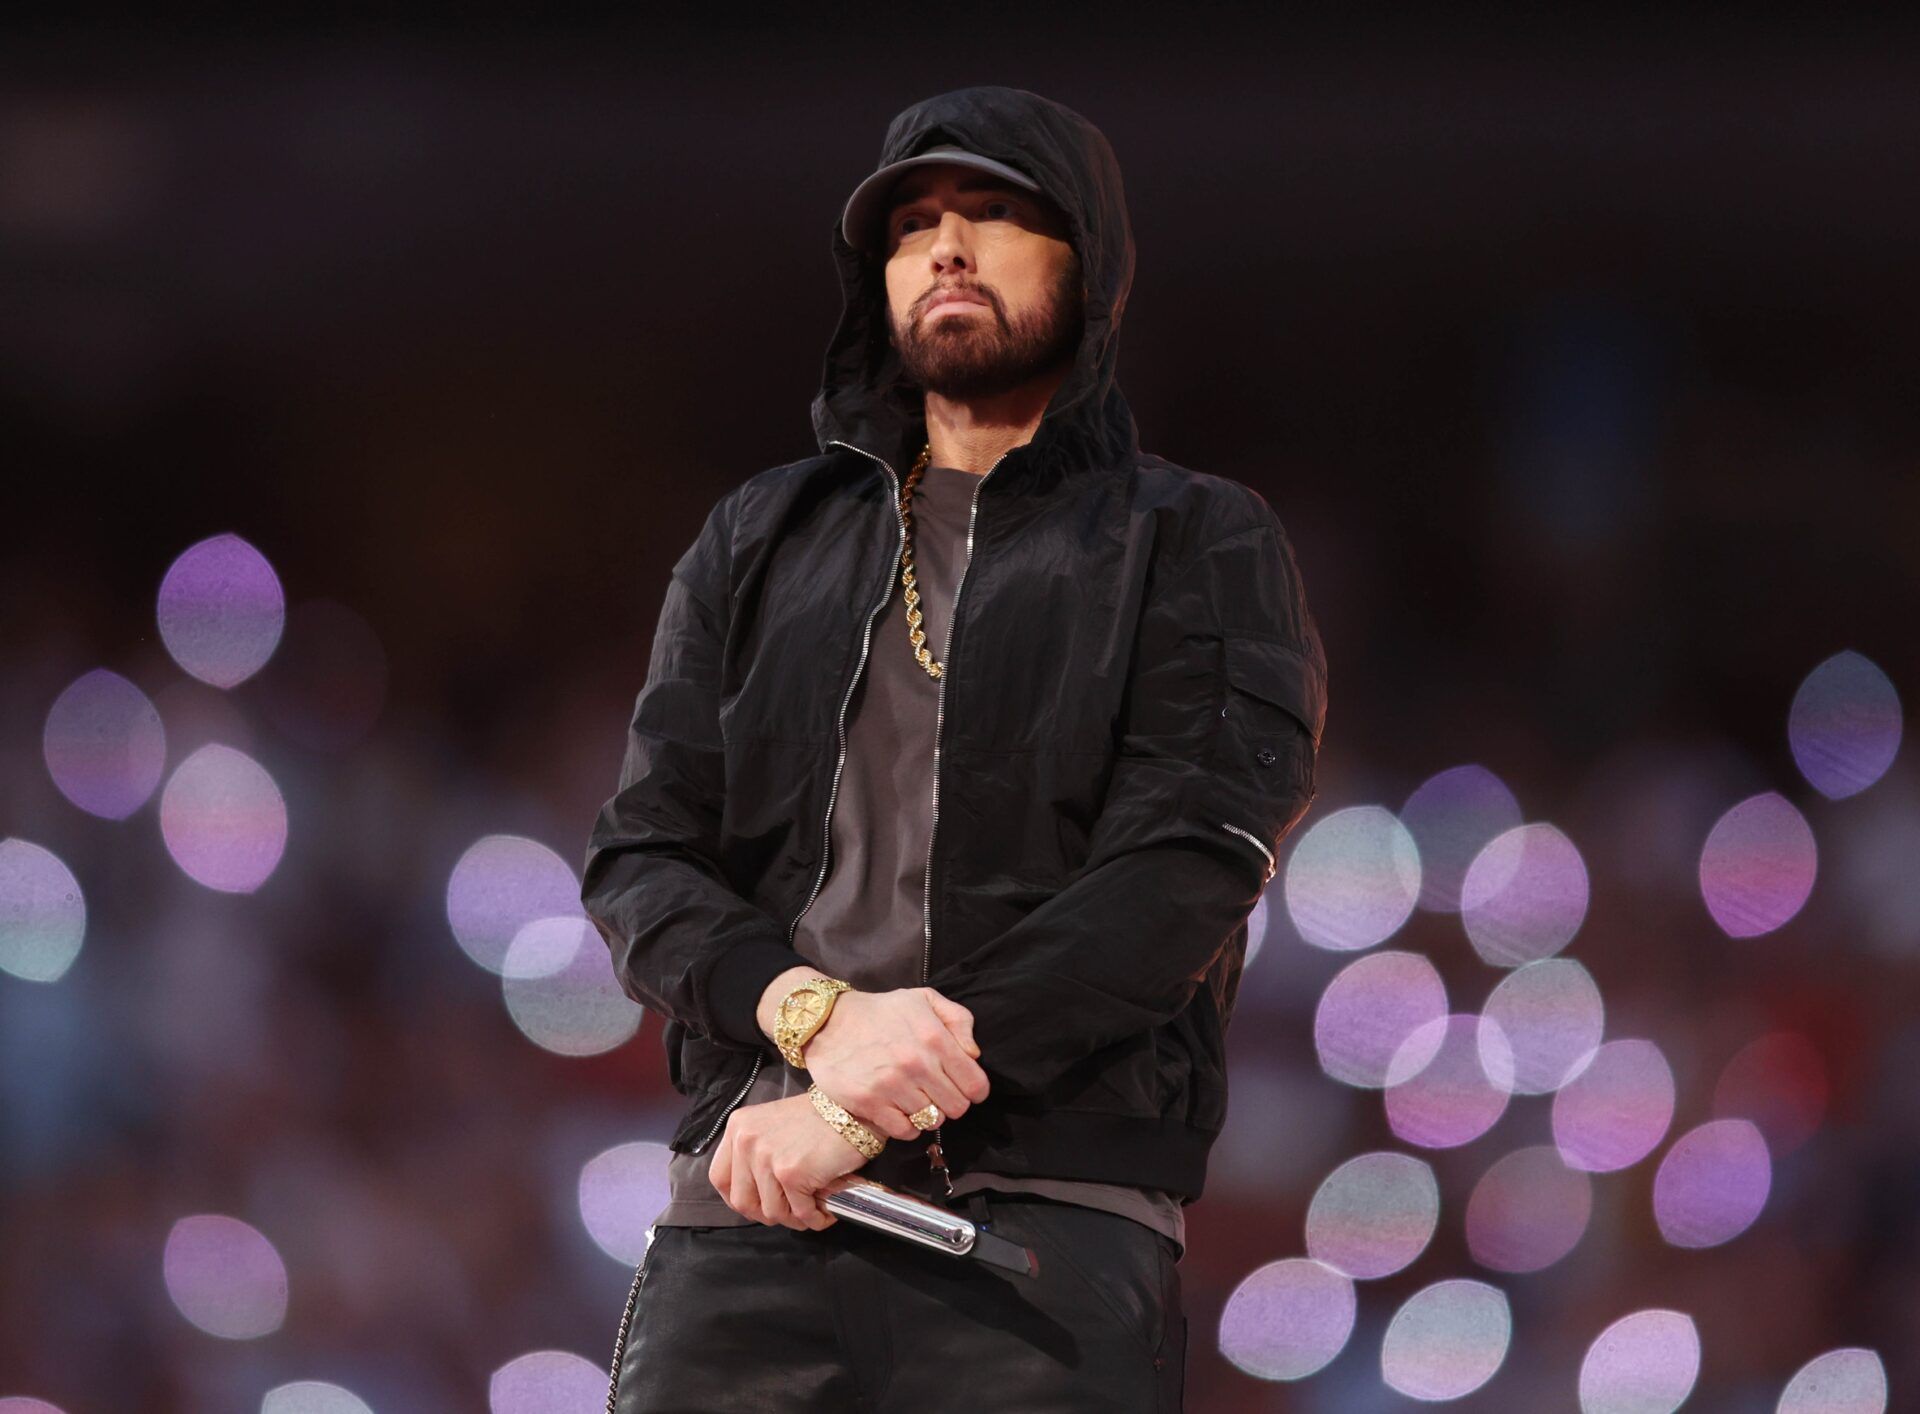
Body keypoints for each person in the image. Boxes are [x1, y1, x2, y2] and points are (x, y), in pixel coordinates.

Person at [583, 83, 1327, 1413]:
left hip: (1038, 1227)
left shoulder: (1194, 540)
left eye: (993, 213)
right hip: (751, 1212)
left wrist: (860, 1110)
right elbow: (641, 857)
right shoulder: (764, 535)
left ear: (1088, 262)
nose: (946, 247)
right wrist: (809, 1017)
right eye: (914, 222)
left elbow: (1182, 870)